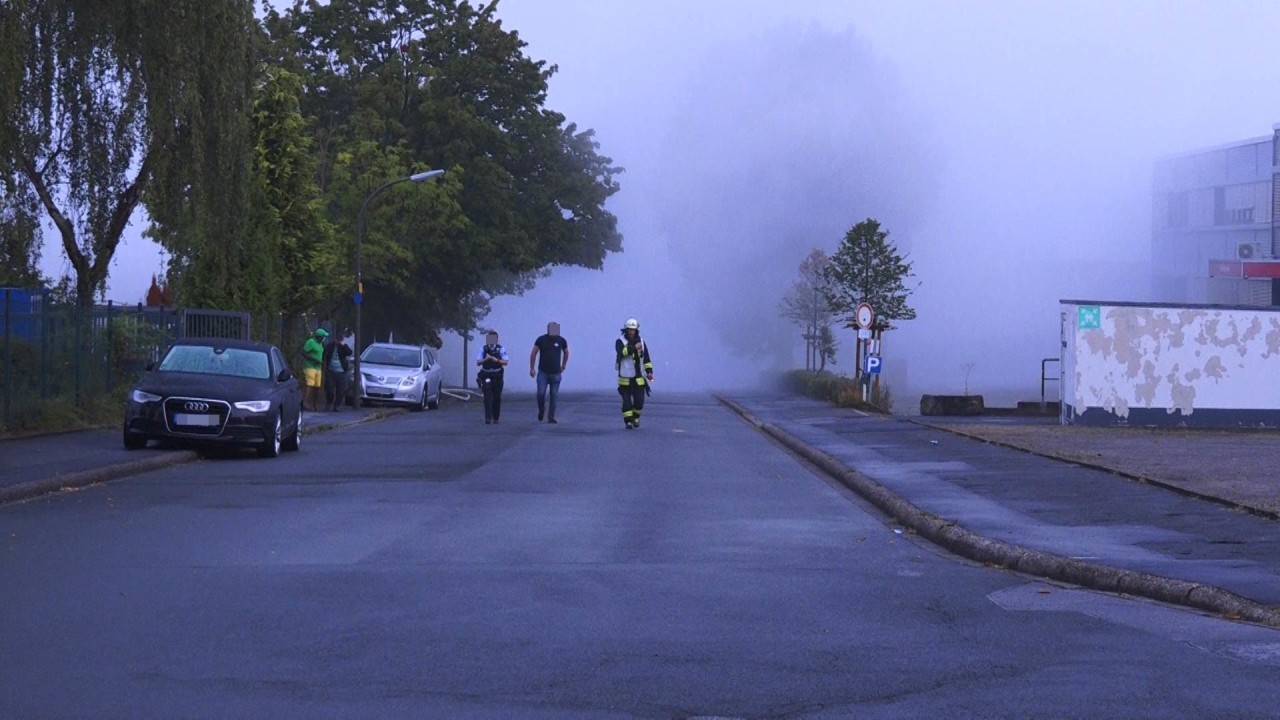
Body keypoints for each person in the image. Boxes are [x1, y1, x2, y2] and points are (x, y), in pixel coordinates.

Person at [615, 317, 653, 429]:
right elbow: (621, 352)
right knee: (626, 403)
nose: (631, 332)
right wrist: (633, 347)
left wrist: (649, 372)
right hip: (625, 378)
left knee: (639, 401)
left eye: (633, 330)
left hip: (638, 377)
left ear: (636, 330)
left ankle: (636, 417)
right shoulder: (620, 341)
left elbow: (646, 358)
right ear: (626, 330)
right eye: (629, 329)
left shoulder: (641, 342)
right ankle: (628, 422)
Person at [529, 321, 569, 423]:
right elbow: (533, 353)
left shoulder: (561, 340)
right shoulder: (541, 339)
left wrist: (563, 365)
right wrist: (532, 368)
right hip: (543, 372)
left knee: (554, 395)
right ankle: (541, 409)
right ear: (548, 329)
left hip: (556, 373)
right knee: (541, 393)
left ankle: (551, 416)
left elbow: (566, 352)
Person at [476, 330, 508, 424]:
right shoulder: (484, 349)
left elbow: (505, 362)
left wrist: (496, 360)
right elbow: (478, 362)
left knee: (497, 397)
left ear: (497, 340)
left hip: (497, 375)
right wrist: (486, 359)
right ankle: (488, 417)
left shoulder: (501, 349)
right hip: (486, 374)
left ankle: (496, 417)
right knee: (487, 396)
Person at [322, 330, 352, 411]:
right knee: (329, 389)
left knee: (341, 390)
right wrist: (325, 366)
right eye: (337, 340)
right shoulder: (329, 346)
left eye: (339, 340)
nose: (337, 342)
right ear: (334, 339)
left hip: (341, 371)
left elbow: (349, 352)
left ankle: (337, 405)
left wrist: (344, 345)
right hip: (330, 371)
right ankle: (329, 402)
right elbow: (324, 355)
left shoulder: (343, 347)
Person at [301, 327, 327, 411]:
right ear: (319, 337)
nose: (324, 338)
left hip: (318, 368)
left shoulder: (320, 344)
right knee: (310, 384)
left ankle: (314, 404)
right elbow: (304, 353)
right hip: (310, 366)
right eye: (323, 337)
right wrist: (313, 359)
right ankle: (305, 403)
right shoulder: (311, 342)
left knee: (317, 387)